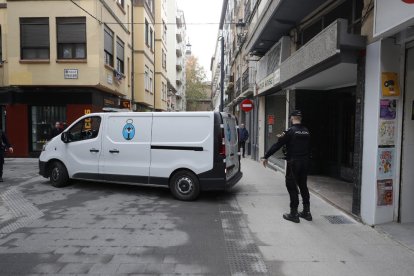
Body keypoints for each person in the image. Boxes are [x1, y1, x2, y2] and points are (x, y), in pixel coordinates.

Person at [261, 110, 312, 223]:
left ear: (291, 118)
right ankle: (307, 212)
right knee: (303, 185)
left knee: (292, 186)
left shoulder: (290, 131)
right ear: (300, 118)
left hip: (293, 163)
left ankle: (294, 214)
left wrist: (266, 156)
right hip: (305, 162)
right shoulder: (306, 131)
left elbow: (277, 145)